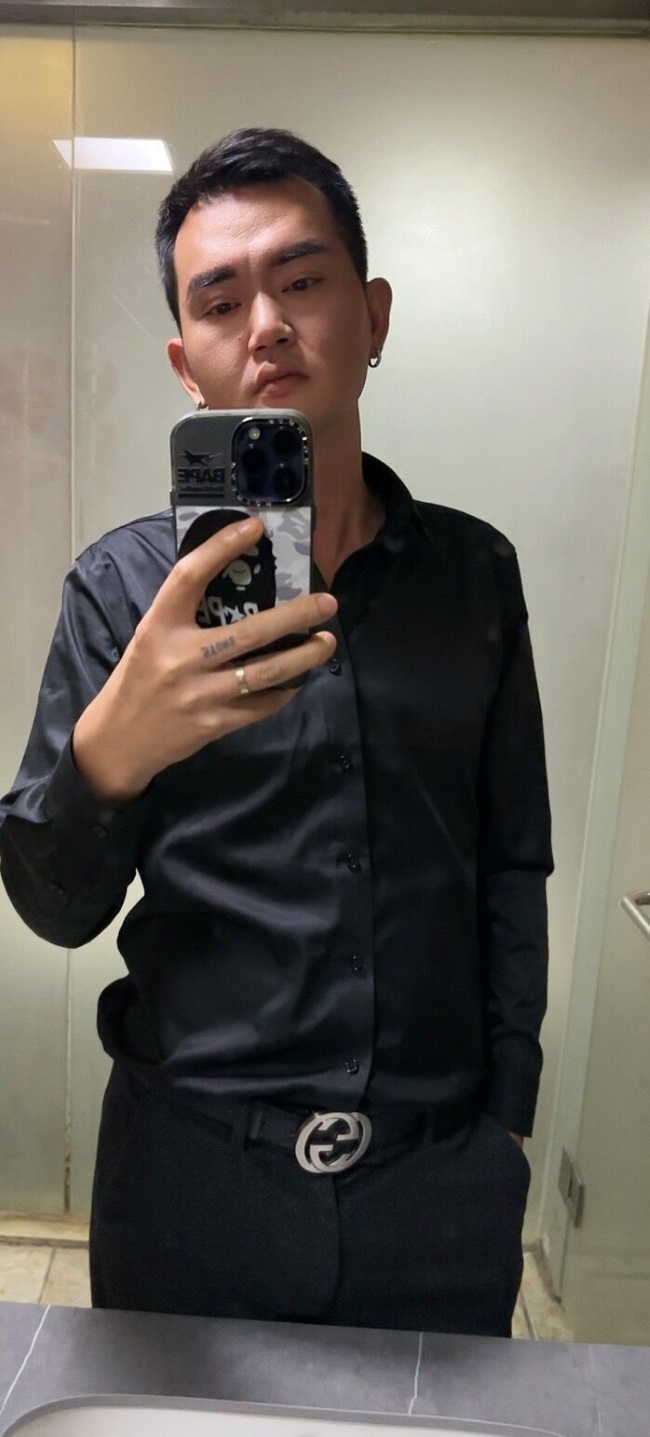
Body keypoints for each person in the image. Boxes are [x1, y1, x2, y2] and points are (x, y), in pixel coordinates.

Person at [0, 128, 553, 1336]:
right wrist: (112, 752)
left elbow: (512, 861)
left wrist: (506, 1116)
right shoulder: (122, 593)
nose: (265, 324)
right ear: (184, 364)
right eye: (219, 301)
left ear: (372, 314)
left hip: (436, 1186)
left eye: (301, 280)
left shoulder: (472, 573)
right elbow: (54, 910)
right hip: (189, 1183)